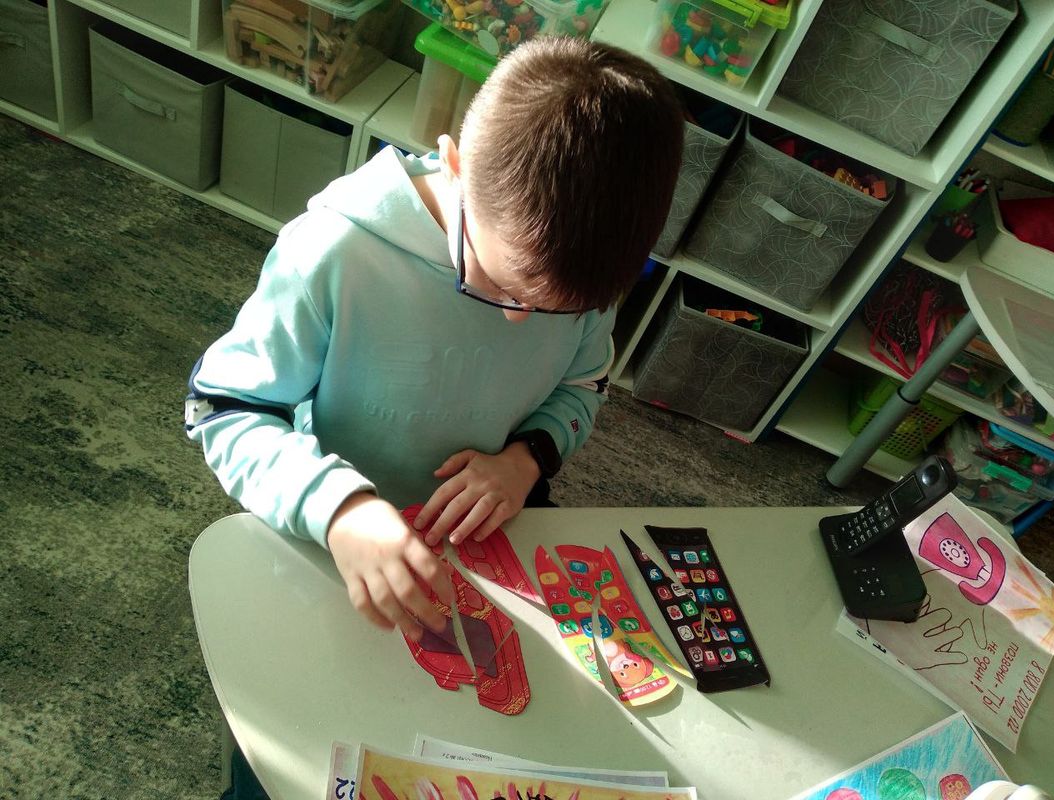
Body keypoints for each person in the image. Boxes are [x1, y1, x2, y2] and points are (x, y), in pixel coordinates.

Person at [185, 36, 684, 644]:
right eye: (499, 287)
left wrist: (526, 460)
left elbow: (584, 386)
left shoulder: (582, 275)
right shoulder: (333, 254)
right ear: (454, 167)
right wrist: (339, 509)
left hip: (491, 520)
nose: (521, 320)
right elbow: (223, 408)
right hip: (334, 524)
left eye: (560, 310)